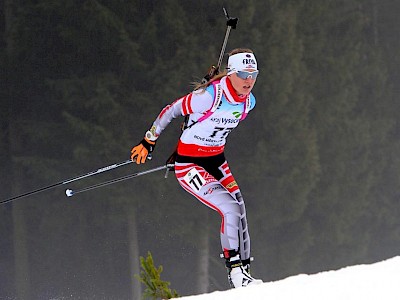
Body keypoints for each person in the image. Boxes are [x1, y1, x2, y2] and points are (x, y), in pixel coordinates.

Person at [131, 48, 262, 288]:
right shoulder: (208, 96)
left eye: (253, 74)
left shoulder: (249, 103)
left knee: (240, 208)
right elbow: (171, 110)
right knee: (230, 209)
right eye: (243, 73)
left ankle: (245, 272)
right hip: (189, 164)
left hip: (216, 160)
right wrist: (148, 141)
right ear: (231, 73)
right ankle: (235, 273)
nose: (248, 80)